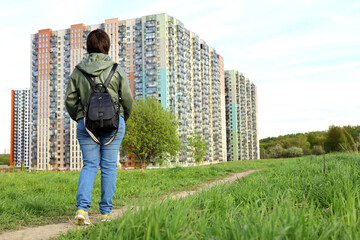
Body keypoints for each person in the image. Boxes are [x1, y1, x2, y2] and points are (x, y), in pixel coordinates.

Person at [65, 29, 133, 225]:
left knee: (89, 165)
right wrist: (122, 118)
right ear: (107, 46)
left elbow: (70, 100)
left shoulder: (78, 71)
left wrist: (79, 117)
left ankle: (82, 210)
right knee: (109, 167)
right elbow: (127, 99)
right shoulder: (116, 69)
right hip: (114, 125)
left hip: (86, 125)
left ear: (88, 47)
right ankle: (105, 215)